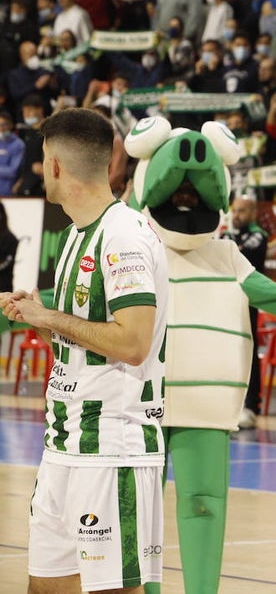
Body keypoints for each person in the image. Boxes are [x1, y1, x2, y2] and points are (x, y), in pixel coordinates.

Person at [1, 108, 168, 593]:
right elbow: (90, 334)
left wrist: (48, 317)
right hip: (64, 444)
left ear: (54, 164)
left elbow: (134, 343)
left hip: (111, 450)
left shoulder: (123, 235)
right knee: (45, 587)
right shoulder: (78, 233)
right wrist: (38, 313)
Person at [222, 195, 268, 430]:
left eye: (242, 211)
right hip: (226, 302)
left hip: (247, 301)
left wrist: (228, 253)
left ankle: (251, 405)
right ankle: (229, 403)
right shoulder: (228, 235)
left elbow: (241, 258)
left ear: (252, 212)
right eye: (235, 210)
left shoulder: (258, 235)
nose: (237, 215)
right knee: (227, 352)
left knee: (248, 352)